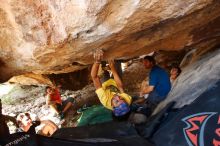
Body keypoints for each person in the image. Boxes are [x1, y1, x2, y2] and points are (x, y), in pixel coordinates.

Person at [91, 49, 132, 121]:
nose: (118, 97)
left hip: (105, 84)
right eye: (121, 99)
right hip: (115, 83)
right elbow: (120, 87)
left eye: (116, 101)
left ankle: (103, 63)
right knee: (116, 62)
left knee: (101, 67)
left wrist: (97, 61)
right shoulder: (127, 101)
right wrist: (113, 69)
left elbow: (94, 77)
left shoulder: (105, 99)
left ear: (113, 107)